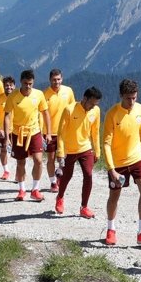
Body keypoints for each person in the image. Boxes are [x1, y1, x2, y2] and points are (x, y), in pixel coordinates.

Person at [103, 78, 141, 247]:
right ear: (121, 96)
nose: (132, 101)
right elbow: (106, 143)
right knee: (114, 196)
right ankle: (111, 229)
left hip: (137, 157)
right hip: (118, 162)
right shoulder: (112, 114)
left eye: (134, 97)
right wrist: (112, 170)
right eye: (128, 98)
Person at [3, 69, 51, 202]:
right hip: (18, 133)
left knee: (39, 160)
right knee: (21, 162)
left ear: (33, 82)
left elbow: (45, 113)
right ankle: (22, 189)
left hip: (34, 131)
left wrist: (48, 132)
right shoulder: (13, 96)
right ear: (20, 82)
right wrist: (7, 137)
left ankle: (35, 189)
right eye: (25, 83)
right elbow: (7, 116)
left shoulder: (39, 94)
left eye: (30, 83)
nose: (28, 86)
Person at [55, 86, 102, 218]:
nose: (93, 107)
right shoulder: (69, 109)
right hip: (69, 150)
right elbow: (61, 133)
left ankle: (84, 207)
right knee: (67, 176)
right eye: (91, 103)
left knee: (88, 175)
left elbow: (95, 132)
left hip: (85, 148)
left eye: (96, 104)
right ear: (84, 98)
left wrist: (97, 150)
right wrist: (60, 152)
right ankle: (60, 197)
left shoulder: (96, 111)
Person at [43, 69, 76, 192]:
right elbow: (41, 115)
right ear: (50, 80)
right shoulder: (45, 94)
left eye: (58, 79)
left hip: (65, 132)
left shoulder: (68, 91)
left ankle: (59, 175)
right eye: (54, 80)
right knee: (50, 159)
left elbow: (73, 109)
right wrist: (46, 133)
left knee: (63, 158)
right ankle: (53, 182)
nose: (56, 82)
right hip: (50, 133)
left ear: (62, 79)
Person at [0, 75, 16, 180]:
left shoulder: (18, 98)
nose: (9, 87)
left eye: (11, 85)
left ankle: (19, 172)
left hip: (16, 130)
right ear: (3, 86)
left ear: (14, 86)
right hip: (3, 130)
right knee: (3, 150)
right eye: (6, 85)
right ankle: (6, 170)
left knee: (18, 152)